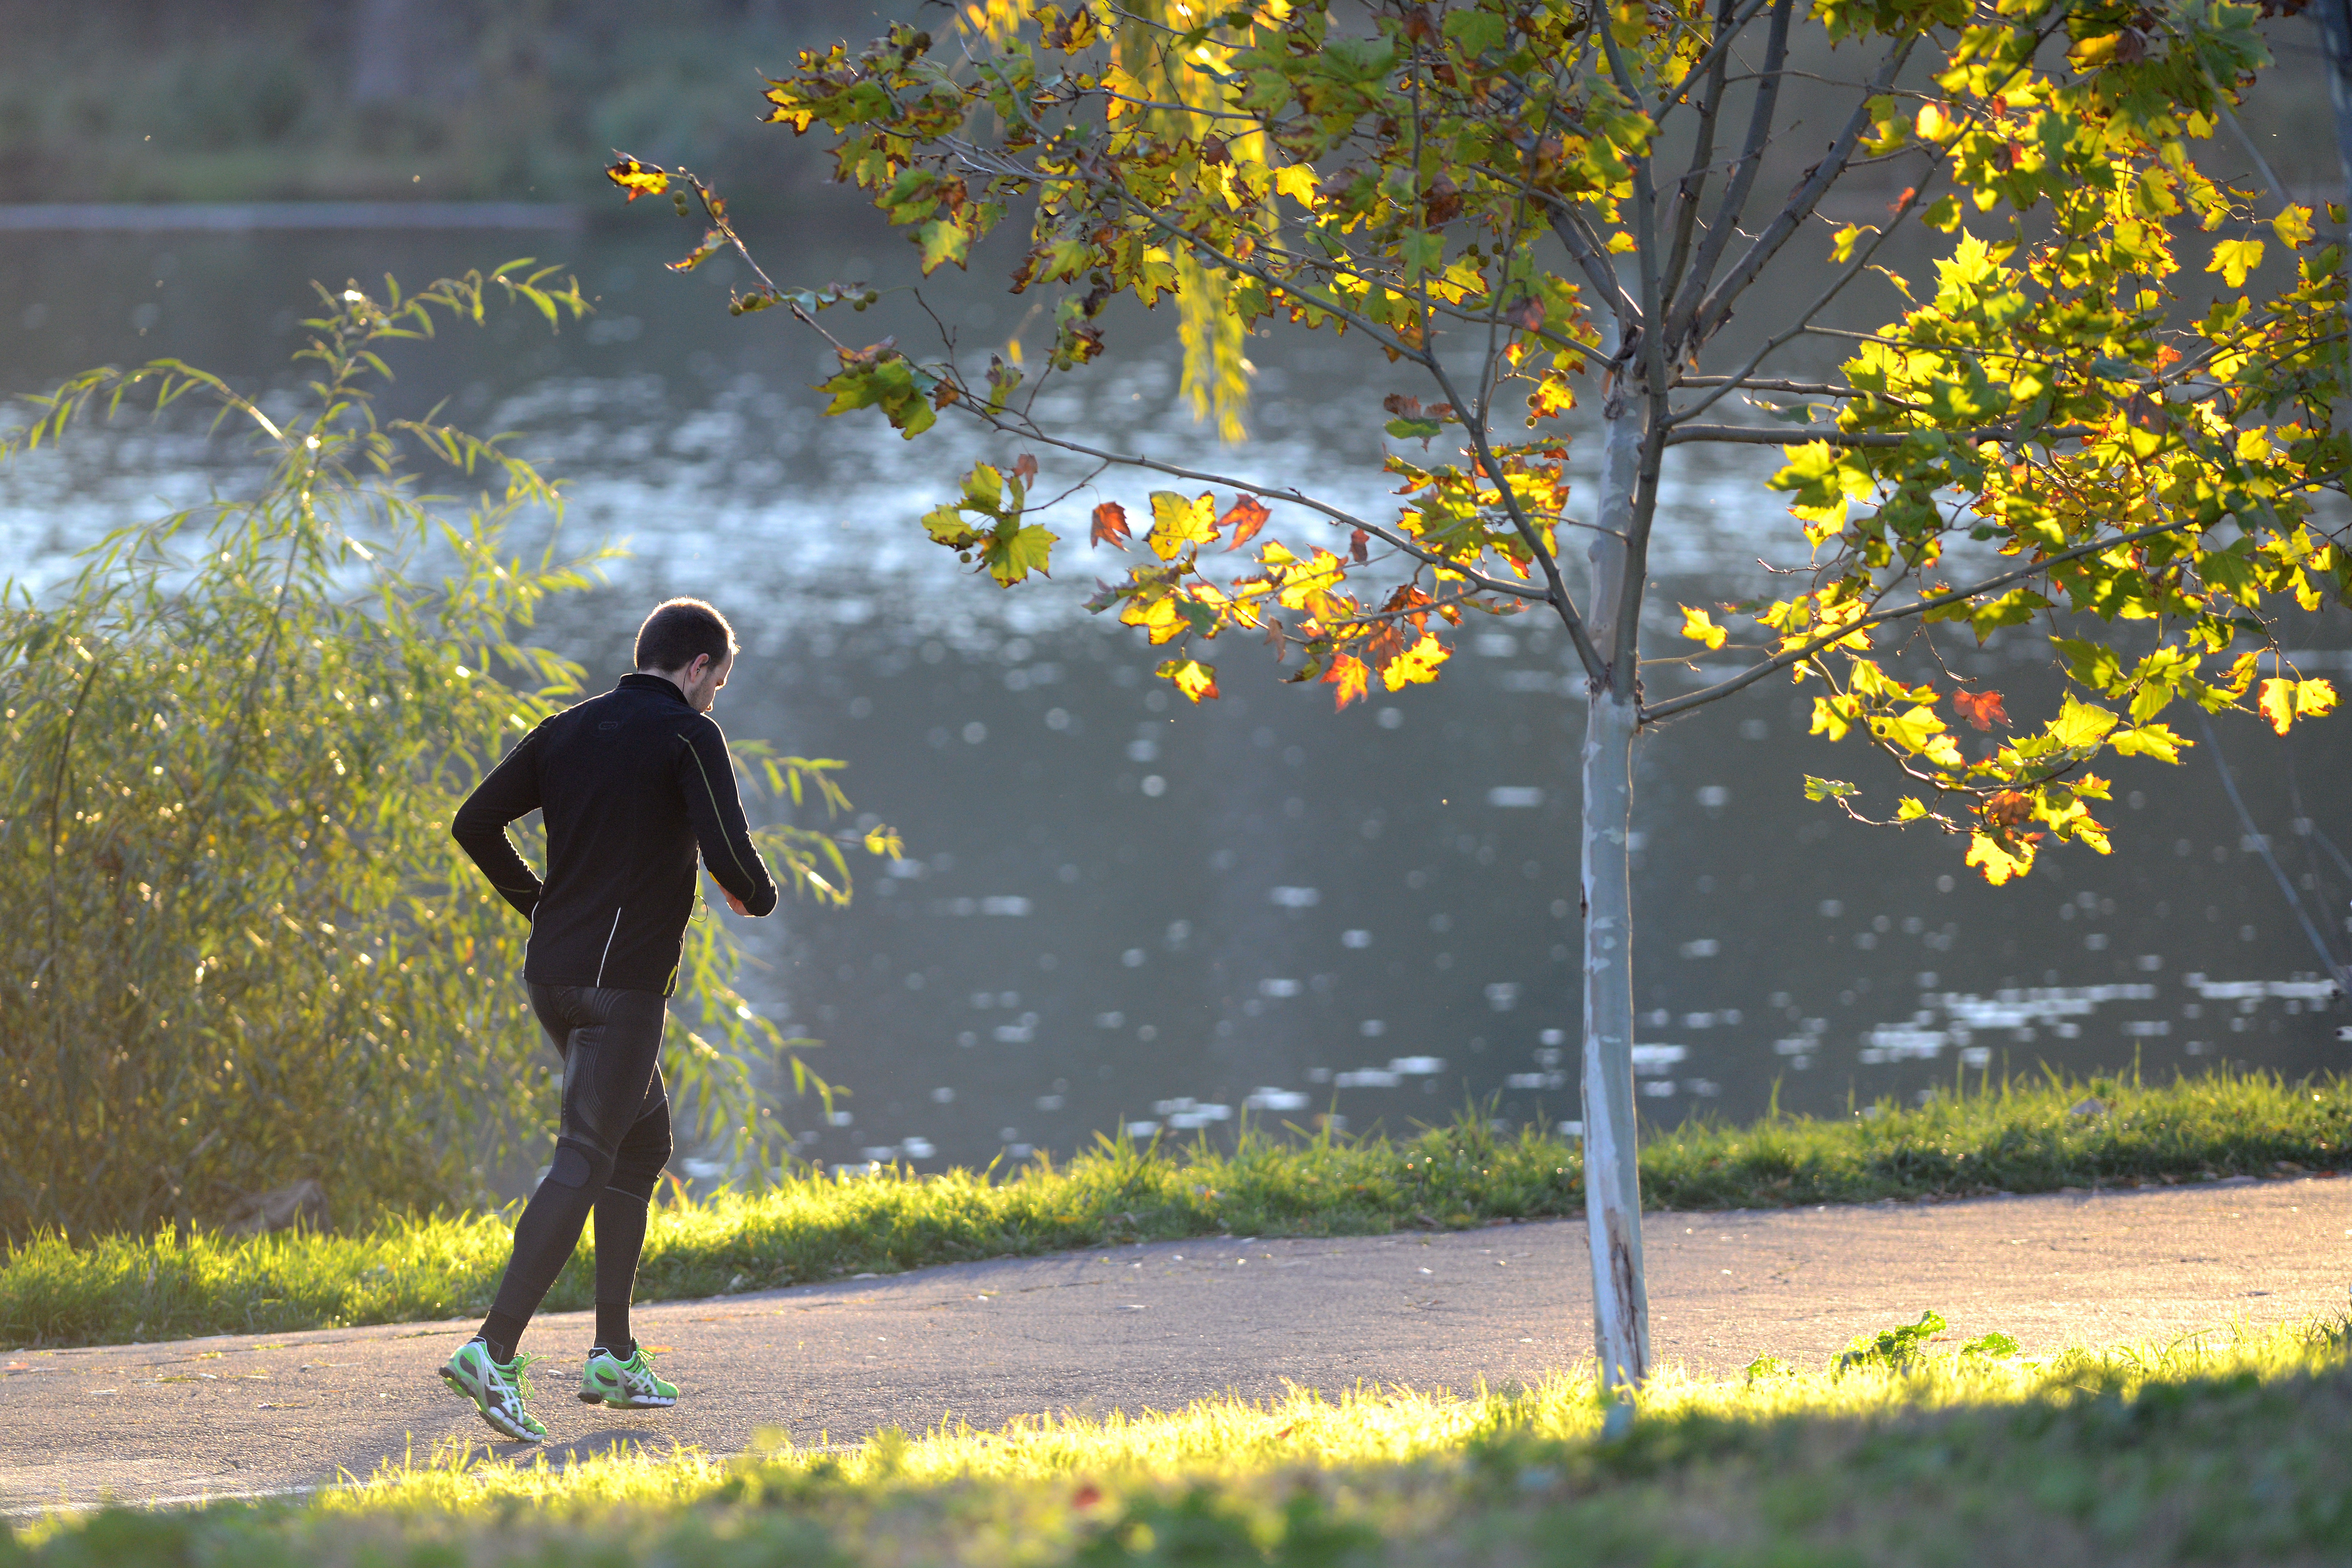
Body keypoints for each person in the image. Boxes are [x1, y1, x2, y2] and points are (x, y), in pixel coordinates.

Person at [440, 597, 779, 1442]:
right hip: (620, 990)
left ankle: (614, 1355)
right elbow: (733, 855)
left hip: (553, 975)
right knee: (587, 1155)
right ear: (698, 667)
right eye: (718, 684)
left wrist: (542, 905)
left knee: (642, 1143)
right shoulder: (686, 737)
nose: (714, 700)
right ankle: (493, 1350)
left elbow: (474, 824)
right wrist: (756, 894)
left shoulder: (566, 728)